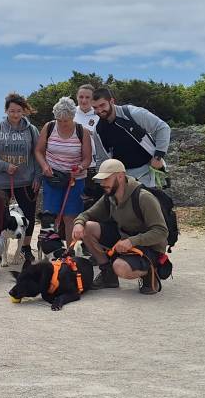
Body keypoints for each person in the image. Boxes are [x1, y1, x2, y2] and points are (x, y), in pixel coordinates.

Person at [71, 159, 169, 294]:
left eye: (106, 179)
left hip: (149, 246)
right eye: (101, 180)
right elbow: (87, 215)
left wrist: (132, 241)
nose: (102, 183)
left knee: (120, 267)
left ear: (121, 176)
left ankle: (150, 272)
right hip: (124, 239)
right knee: (87, 227)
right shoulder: (110, 196)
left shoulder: (144, 197)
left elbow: (161, 232)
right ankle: (108, 274)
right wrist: (78, 224)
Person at [0, 92, 40, 266]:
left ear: (23, 111)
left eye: (18, 111)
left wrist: (38, 176)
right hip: (0, 182)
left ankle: (25, 249)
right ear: (6, 111)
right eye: (12, 111)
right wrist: (5, 166)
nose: (15, 114)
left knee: (27, 216)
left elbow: (37, 154)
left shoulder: (32, 130)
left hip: (26, 181)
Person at [34, 97, 93, 236]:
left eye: (65, 121)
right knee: (49, 217)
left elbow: (87, 159)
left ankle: (70, 254)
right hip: (52, 177)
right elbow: (38, 150)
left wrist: (80, 167)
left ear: (73, 117)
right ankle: (49, 251)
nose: (62, 124)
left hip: (74, 180)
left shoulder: (81, 131)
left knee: (70, 217)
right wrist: (44, 166)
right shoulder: (49, 127)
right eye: (59, 120)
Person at [91, 87, 172, 187]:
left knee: (148, 201)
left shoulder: (132, 114)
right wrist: (100, 184)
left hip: (148, 171)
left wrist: (158, 157)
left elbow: (162, 128)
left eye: (102, 105)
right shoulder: (98, 131)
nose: (99, 110)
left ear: (111, 101)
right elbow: (102, 159)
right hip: (123, 177)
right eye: (95, 107)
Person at [74, 83, 102, 169]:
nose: (84, 100)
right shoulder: (70, 113)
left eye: (87, 97)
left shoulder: (100, 114)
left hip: (95, 164)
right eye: (81, 97)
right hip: (72, 162)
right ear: (77, 97)